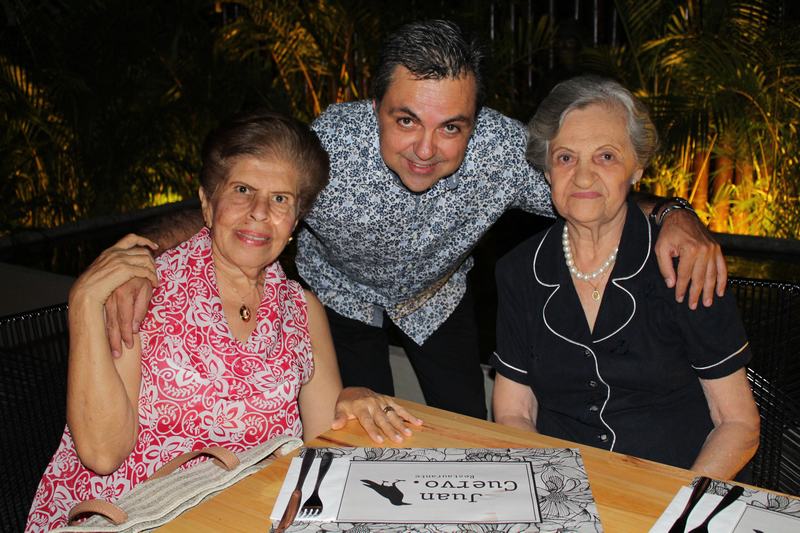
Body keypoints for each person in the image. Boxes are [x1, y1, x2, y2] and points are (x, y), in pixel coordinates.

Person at [107, 20, 726, 421]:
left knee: (466, 421)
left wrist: (677, 214)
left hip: (438, 296)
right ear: (375, 106)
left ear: (476, 120)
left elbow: (591, 191)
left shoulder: (504, 153)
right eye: (406, 120)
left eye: (451, 126)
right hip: (343, 298)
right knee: (363, 423)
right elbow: (234, 203)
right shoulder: (331, 147)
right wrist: (138, 254)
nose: (426, 148)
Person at [25, 111, 421, 532]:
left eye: (281, 199)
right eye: (243, 190)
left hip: (240, 517)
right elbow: (102, 454)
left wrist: (350, 395)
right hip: (128, 518)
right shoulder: (142, 292)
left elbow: (320, 446)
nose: (259, 212)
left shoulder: (301, 310)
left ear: (294, 223)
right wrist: (84, 301)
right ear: (207, 204)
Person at [490, 76, 760, 479]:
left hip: (677, 486)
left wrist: (678, 507)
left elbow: (738, 424)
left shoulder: (685, 263)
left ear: (638, 168)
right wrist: (556, 491)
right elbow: (514, 411)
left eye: (606, 157)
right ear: (546, 170)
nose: (582, 177)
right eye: (565, 158)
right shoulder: (518, 271)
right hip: (565, 484)